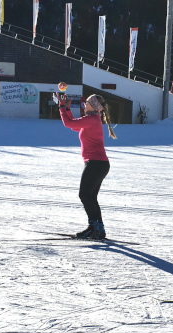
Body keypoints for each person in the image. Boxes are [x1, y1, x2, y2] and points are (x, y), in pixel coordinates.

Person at [54, 92, 117, 239]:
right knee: (91, 197)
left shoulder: (92, 120)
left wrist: (62, 106)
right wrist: (66, 109)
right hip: (99, 164)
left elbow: (68, 123)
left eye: (86, 103)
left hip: (96, 163)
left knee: (84, 195)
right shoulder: (92, 119)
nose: (84, 105)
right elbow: (74, 126)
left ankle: (94, 228)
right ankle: (98, 229)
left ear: (92, 106)